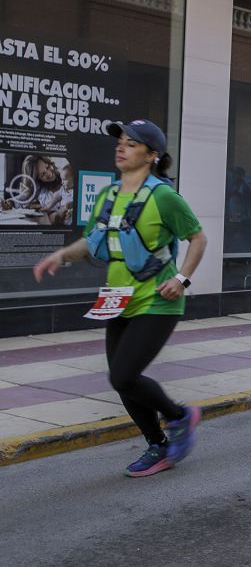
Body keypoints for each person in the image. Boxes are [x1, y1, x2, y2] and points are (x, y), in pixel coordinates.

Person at [33, 120, 207, 477]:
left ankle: (180, 417)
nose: (121, 147)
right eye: (120, 142)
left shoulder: (164, 197)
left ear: (152, 155)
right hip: (119, 299)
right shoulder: (108, 196)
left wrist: (181, 278)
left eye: (131, 143)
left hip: (158, 300)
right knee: (122, 378)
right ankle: (157, 445)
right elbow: (92, 243)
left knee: (124, 376)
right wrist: (60, 256)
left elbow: (198, 238)